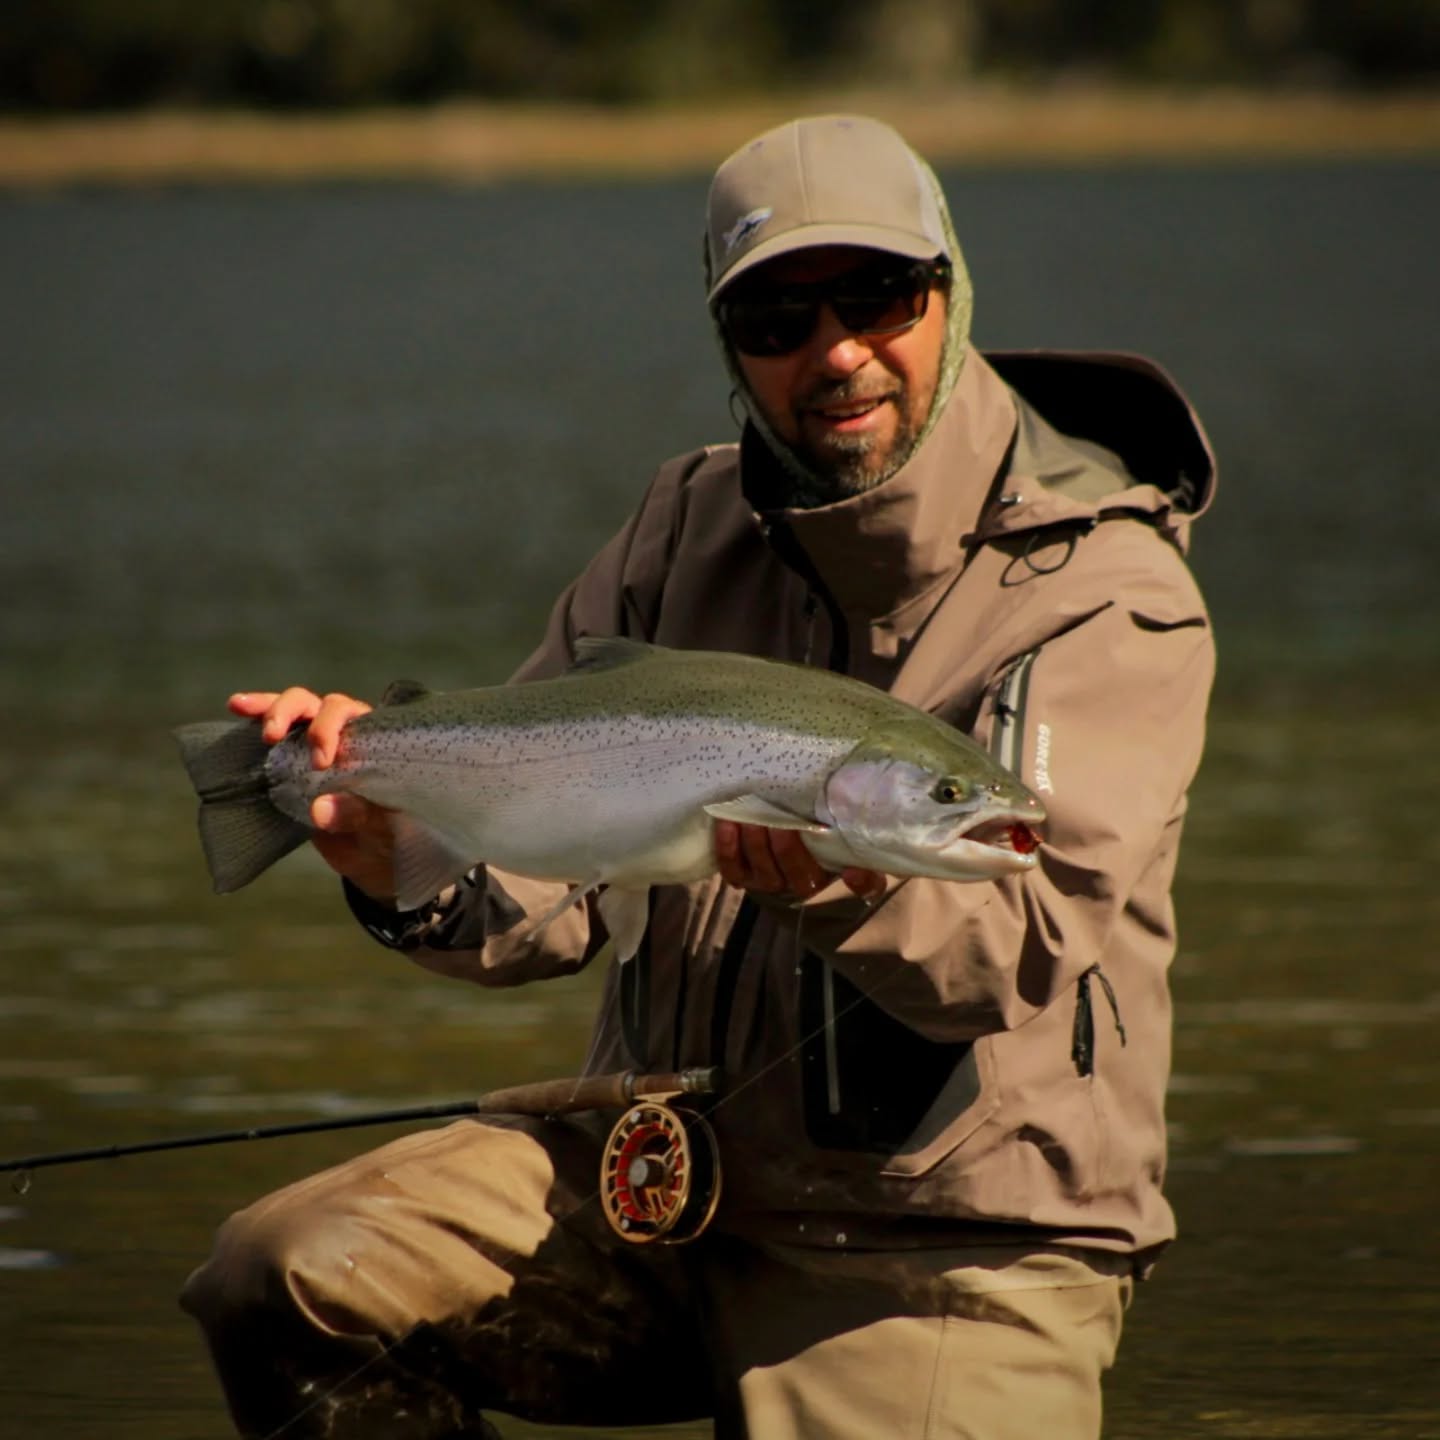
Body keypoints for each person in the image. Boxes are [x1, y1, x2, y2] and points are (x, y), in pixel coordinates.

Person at [181, 114, 1215, 1440]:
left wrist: (840, 890)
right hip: (653, 1193)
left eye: (878, 297)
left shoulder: (1107, 594)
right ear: (730, 344)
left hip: (948, 1256)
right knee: (278, 1282)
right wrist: (407, 869)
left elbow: (1021, 945)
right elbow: (548, 892)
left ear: (950, 292)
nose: (834, 351)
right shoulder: (682, 525)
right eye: (776, 318)